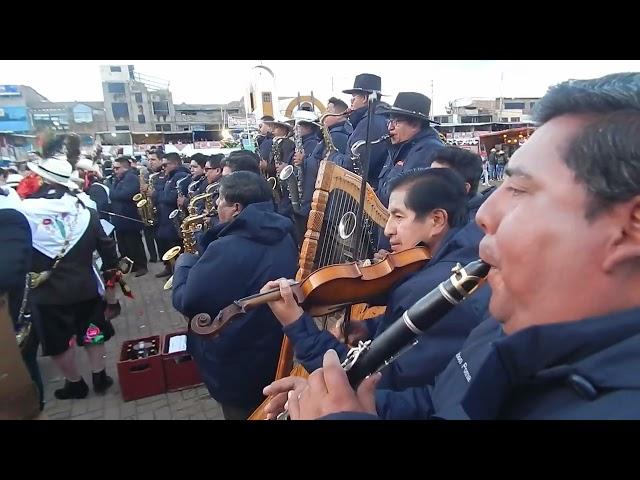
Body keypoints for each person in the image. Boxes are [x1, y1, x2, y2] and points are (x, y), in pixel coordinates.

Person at [273, 72, 640, 420]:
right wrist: (350, 403)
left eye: (521, 190)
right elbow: (438, 402)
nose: (484, 214)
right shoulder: (498, 318)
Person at [261, 168, 490, 419]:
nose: (388, 229)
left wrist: (297, 325)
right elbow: (421, 332)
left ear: (436, 220)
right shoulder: (460, 257)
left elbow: (377, 380)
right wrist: (370, 328)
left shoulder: (434, 285)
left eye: (398, 216)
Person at [171, 171, 298, 419]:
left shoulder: (226, 248)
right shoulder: (283, 232)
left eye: (220, 199)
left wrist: (184, 263)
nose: (216, 204)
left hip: (236, 359)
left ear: (236, 208)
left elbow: (186, 300)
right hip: (272, 347)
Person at [20, 157, 119, 400]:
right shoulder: (86, 212)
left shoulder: (22, 215)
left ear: (41, 180)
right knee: (93, 332)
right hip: (86, 287)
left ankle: (75, 383)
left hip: (47, 293)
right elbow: (108, 253)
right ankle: (99, 376)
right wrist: (111, 294)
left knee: (58, 343)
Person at [327, 74, 389, 189]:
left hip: (365, 192)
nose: (351, 103)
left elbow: (354, 165)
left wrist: (333, 156)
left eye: (353, 98)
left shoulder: (371, 122)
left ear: (365, 98)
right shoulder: (375, 118)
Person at [109, 156, 148, 276]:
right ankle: (132, 265)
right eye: (113, 168)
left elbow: (125, 194)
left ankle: (141, 266)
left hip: (129, 218)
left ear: (125, 167)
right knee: (124, 245)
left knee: (134, 243)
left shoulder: (131, 178)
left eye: (117, 168)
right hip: (120, 218)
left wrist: (112, 193)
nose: (114, 170)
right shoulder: (118, 178)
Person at [430, 146, 489, 221]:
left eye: (438, 180)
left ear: (464, 188)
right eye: (428, 175)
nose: (427, 182)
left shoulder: (470, 225)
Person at [154, 152, 189, 278]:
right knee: (168, 244)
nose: (163, 168)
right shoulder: (170, 176)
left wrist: (157, 193)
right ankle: (169, 268)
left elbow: (170, 197)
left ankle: (177, 273)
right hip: (166, 218)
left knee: (176, 246)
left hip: (174, 219)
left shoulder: (181, 176)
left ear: (174, 164)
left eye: (165, 165)